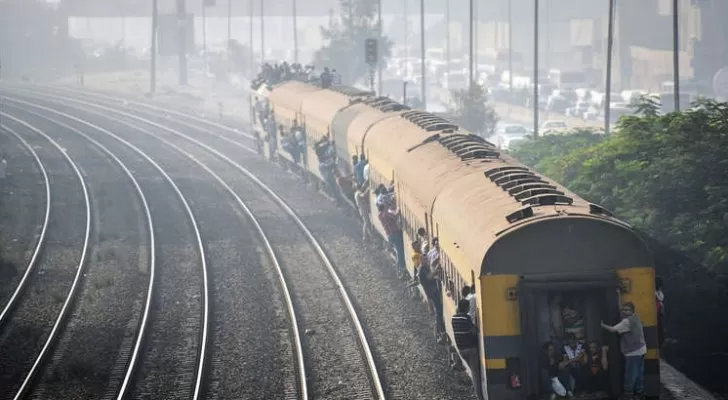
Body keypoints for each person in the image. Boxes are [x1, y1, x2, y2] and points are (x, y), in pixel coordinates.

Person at [602, 302, 647, 399]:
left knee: (631, 374)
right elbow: (621, 312)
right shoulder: (636, 317)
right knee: (639, 373)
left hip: (632, 351)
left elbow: (613, 330)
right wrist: (618, 295)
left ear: (632, 311)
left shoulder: (626, 321)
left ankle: (628, 394)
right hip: (641, 349)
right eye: (623, 310)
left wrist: (602, 325)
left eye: (627, 310)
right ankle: (640, 392)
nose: (624, 312)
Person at [452, 299, 485, 400]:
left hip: (461, 350)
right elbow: (474, 331)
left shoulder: (453, 318)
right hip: (471, 349)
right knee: (476, 374)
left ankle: (477, 391)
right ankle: (480, 396)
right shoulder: (466, 318)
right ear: (466, 308)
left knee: (473, 371)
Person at [377, 203, 406, 278]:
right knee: (400, 252)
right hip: (395, 233)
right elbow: (395, 216)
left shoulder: (379, 215)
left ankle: (399, 269)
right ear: (384, 208)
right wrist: (399, 210)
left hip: (389, 235)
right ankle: (401, 269)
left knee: (398, 251)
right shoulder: (386, 214)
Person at [655, 277, 665, 349]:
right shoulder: (655, 292)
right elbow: (660, 298)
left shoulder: (658, 292)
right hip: (657, 312)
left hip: (658, 312)